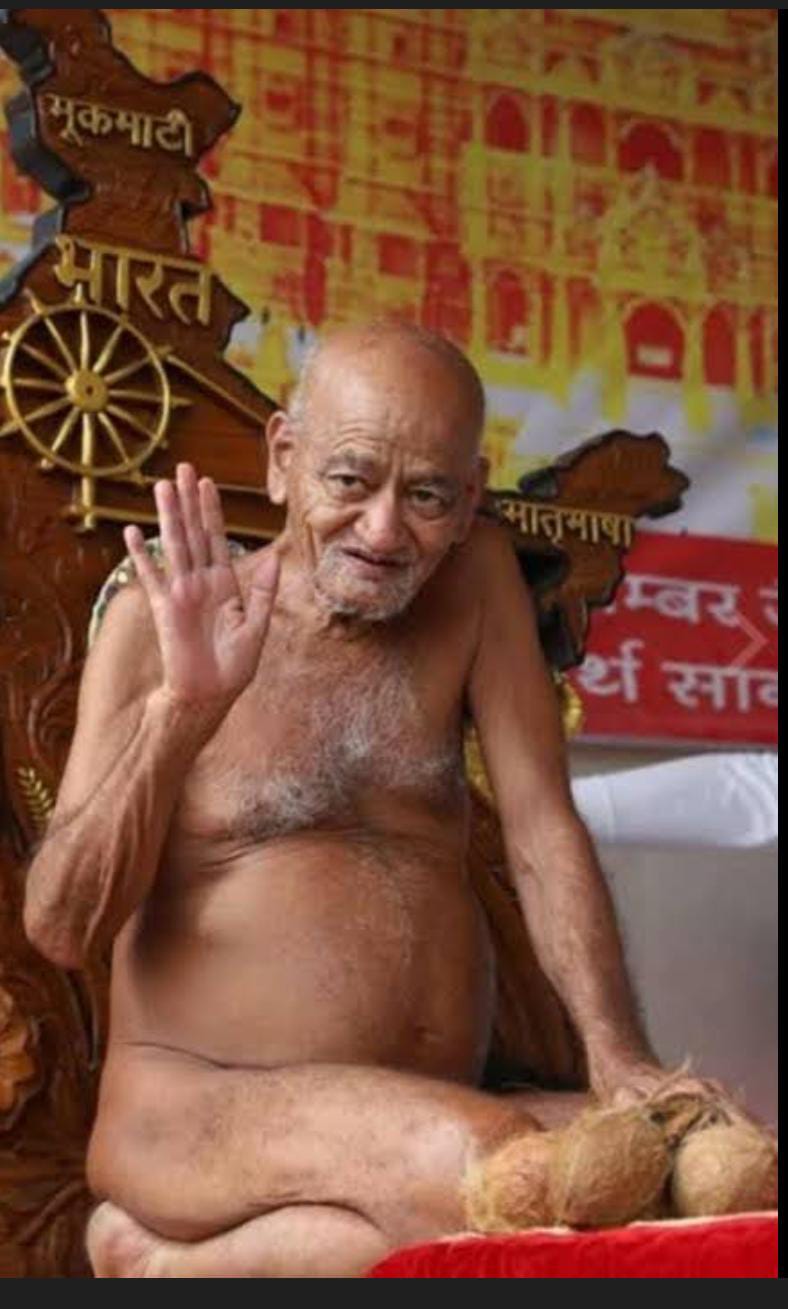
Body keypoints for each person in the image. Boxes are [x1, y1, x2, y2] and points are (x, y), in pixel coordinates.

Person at [24, 320, 733, 1278]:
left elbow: (540, 829)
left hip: (434, 1111)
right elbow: (62, 926)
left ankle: (175, 1260)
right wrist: (182, 713)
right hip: (195, 1109)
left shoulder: (475, 583)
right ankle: (166, 1262)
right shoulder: (159, 627)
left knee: (714, 1161)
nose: (386, 530)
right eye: (350, 480)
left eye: (428, 495)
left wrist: (620, 1061)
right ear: (283, 458)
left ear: (471, 496)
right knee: (503, 1170)